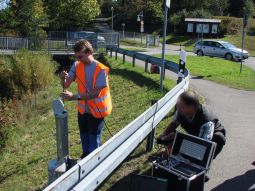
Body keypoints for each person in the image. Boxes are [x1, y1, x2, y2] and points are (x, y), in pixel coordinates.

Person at [59, 40, 112, 159]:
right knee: (84, 139)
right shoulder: (77, 65)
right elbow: (66, 84)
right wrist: (62, 78)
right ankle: (85, 160)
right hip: (83, 111)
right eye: (76, 57)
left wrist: (74, 97)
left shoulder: (101, 69)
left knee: (93, 142)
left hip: (97, 112)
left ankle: (93, 165)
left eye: (80, 56)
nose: (78, 59)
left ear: (88, 52)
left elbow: (95, 93)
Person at [159, 91, 226, 159]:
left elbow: (202, 145)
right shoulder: (181, 111)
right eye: (178, 105)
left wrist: (178, 138)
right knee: (175, 148)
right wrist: (163, 136)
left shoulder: (207, 121)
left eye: (181, 106)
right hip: (196, 135)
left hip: (213, 140)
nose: (178, 108)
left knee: (197, 160)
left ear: (192, 107)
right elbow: (174, 124)